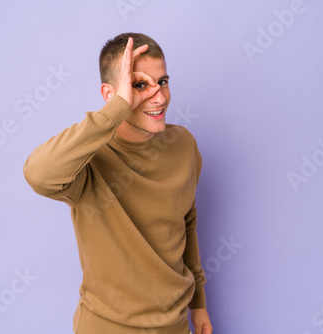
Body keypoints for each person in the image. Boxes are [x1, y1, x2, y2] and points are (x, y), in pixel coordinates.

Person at [23, 32, 212, 334]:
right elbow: (38, 174)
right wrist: (118, 108)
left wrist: (198, 305)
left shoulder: (184, 145)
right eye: (139, 85)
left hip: (175, 325)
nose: (159, 97)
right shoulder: (88, 159)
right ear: (112, 94)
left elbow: (186, 222)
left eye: (162, 81)